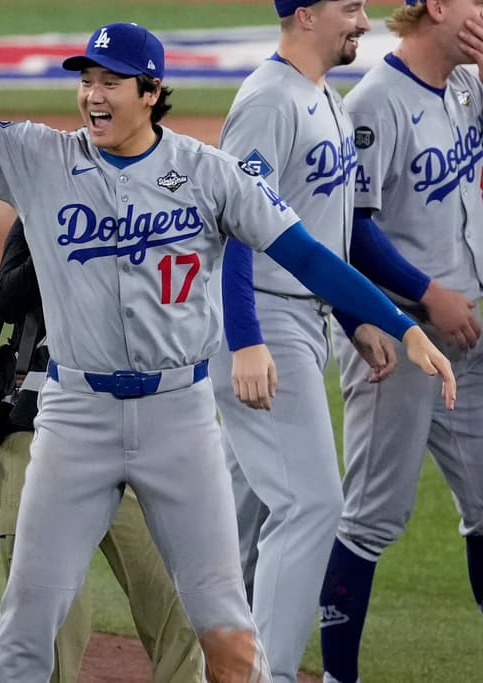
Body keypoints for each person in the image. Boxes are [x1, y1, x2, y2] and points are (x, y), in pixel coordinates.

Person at [0, 22, 457, 683]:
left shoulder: (209, 173)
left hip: (180, 420)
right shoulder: (41, 157)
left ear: (150, 92)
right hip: (74, 419)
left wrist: (401, 324)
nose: (93, 94)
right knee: (28, 623)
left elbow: (307, 255)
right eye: (86, 80)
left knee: (225, 625)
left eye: (111, 82)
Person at [206, 2, 480, 681]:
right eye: (350, 7)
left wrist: (359, 319)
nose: (364, 18)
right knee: (313, 505)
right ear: (305, 15)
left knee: (246, 520)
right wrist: (245, 338)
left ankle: (215, 661)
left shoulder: (322, 97)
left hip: (304, 316)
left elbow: (320, 238)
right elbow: (237, 225)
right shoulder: (270, 101)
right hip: (264, 318)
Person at [319, 3, 483, 681]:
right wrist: (428, 291)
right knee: (371, 517)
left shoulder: (466, 84)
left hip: (469, 335)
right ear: (438, 6)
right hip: (397, 335)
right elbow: (347, 226)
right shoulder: (373, 105)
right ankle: (338, 675)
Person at [0, 218, 202, 683]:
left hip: (142, 434)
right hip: (41, 431)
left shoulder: (161, 212)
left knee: (181, 600)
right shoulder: (43, 209)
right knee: (50, 614)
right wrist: (60, 234)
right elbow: (8, 300)